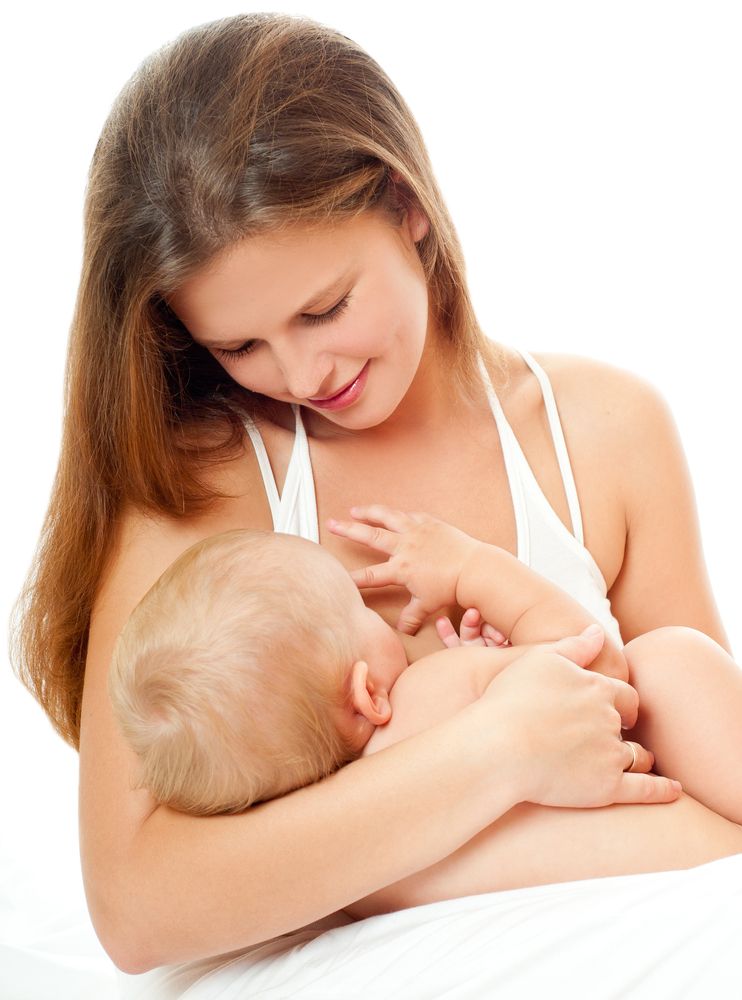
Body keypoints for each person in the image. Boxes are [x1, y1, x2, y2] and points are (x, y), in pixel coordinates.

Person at [10, 12, 739, 975]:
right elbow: (137, 909)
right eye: (239, 345)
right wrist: (496, 754)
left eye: (325, 308)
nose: (302, 371)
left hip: (659, 890)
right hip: (511, 908)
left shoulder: (603, 429)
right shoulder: (204, 479)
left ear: (408, 205)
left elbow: (690, 758)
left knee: (681, 662)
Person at [107, 510, 742, 917]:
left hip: (654, 891)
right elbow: (602, 675)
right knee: (667, 659)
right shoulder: (425, 691)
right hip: (702, 848)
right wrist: (477, 571)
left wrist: (495, 672)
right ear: (367, 695)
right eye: (361, 616)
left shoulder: (350, 876)